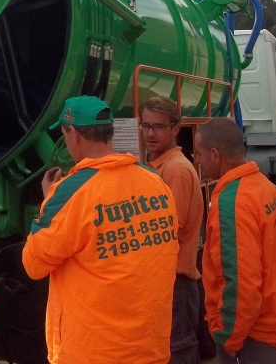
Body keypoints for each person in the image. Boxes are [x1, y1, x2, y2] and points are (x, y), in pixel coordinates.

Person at [22, 96, 179, 364]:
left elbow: (34, 264)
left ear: (74, 134)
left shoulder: (70, 193)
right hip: (149, 347)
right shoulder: (155, 181)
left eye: (64, 133)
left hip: (94, 352)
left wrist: (49, 201)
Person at [194, 118, 276, 364]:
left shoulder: (233, 203)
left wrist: (228, 339)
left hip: (261, 339)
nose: (198, 161)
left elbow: (240, 282)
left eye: (199, 154)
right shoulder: (265, 188)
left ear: (215, 155)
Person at [139, 97, 204, 364]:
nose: (150, 134)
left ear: (175, 129)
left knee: (177, 353)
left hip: (175, 283)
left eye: (159, 127)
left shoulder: (174, 170)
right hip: (167, 283)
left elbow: (166, 233)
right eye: (146, 126)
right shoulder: (159, 166)